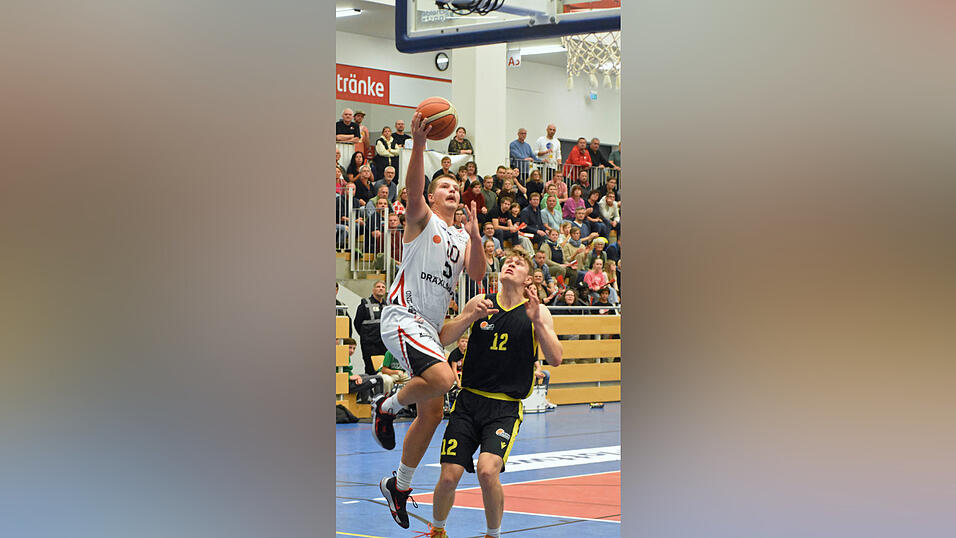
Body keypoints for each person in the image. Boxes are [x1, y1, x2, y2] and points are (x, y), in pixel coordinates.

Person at [372, 112, 486, 530]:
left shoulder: (461, 235)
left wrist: (475, 236)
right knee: (443, 380)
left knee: (433, 412)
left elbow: (476, 274)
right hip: (402, 316)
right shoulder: (422, 221)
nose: (452, 189)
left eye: (457, 187)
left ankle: (398, 485)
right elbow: (411, 188)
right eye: (445, 186)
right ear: (432, 197)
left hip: (428, 329)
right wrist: (419, 147)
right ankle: (385, 405)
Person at [423, 251, 562, 538]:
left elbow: (556, 358)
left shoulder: (537, 312)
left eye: (519, 263)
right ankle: (437, 531)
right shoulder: (481, 302)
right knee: (449, 476)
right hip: (468, 402)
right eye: (508, 260)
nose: (511, 263)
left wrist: (537, 322)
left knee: (487, 471)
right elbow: (444, 337)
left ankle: (493, 534)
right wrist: (471, 317)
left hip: (504, 408)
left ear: (528, 279)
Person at [354, 281, 388, 376]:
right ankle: (369, 390)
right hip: (369, 343)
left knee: (384, 368)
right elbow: (357, 323)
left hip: (384, 343)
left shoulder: (387, 306)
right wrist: (366, 336)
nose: (381, 288)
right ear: (373, 289)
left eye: (383, 287)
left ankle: (382, 390)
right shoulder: (365, 303)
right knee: (370, 369)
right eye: (378, 286)